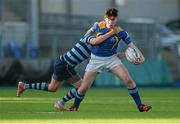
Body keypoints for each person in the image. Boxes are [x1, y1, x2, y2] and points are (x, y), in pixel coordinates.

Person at [17, 29, 120, 111]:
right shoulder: (90, 39)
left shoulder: (93, 43)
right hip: (65, 64)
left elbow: (109, 56)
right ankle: (61, 102)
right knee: (82, 87)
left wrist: (126, 55)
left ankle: (24, 86)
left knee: (52, 88)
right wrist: (108, 31)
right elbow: (95, 37)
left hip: (62, 62)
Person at [70, 8, 152, 112]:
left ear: (116, 19)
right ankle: (74, 107)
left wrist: (141, 56)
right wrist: (86, 39)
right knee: (84, 87)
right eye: (108, 19)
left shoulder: (121, 32)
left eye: (113, 19)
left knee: (128, 80)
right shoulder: (98, 25)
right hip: (96, 59)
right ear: (105, 18)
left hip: (112, 59)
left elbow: (131, 45)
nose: (110, 21)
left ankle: (140, 106)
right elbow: (88, 33)